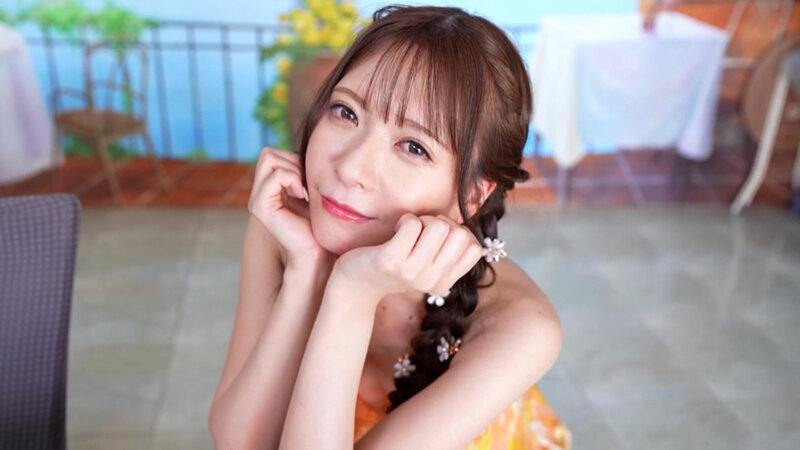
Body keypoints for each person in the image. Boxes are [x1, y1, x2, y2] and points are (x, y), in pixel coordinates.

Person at [209, 5, 572, 449]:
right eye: (346, 112)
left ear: (472, 195)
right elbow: (240, 443)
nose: (351, 169)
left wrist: (351, 295)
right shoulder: (286, 224)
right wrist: (306, 271)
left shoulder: (522, 326)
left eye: (414, 147)